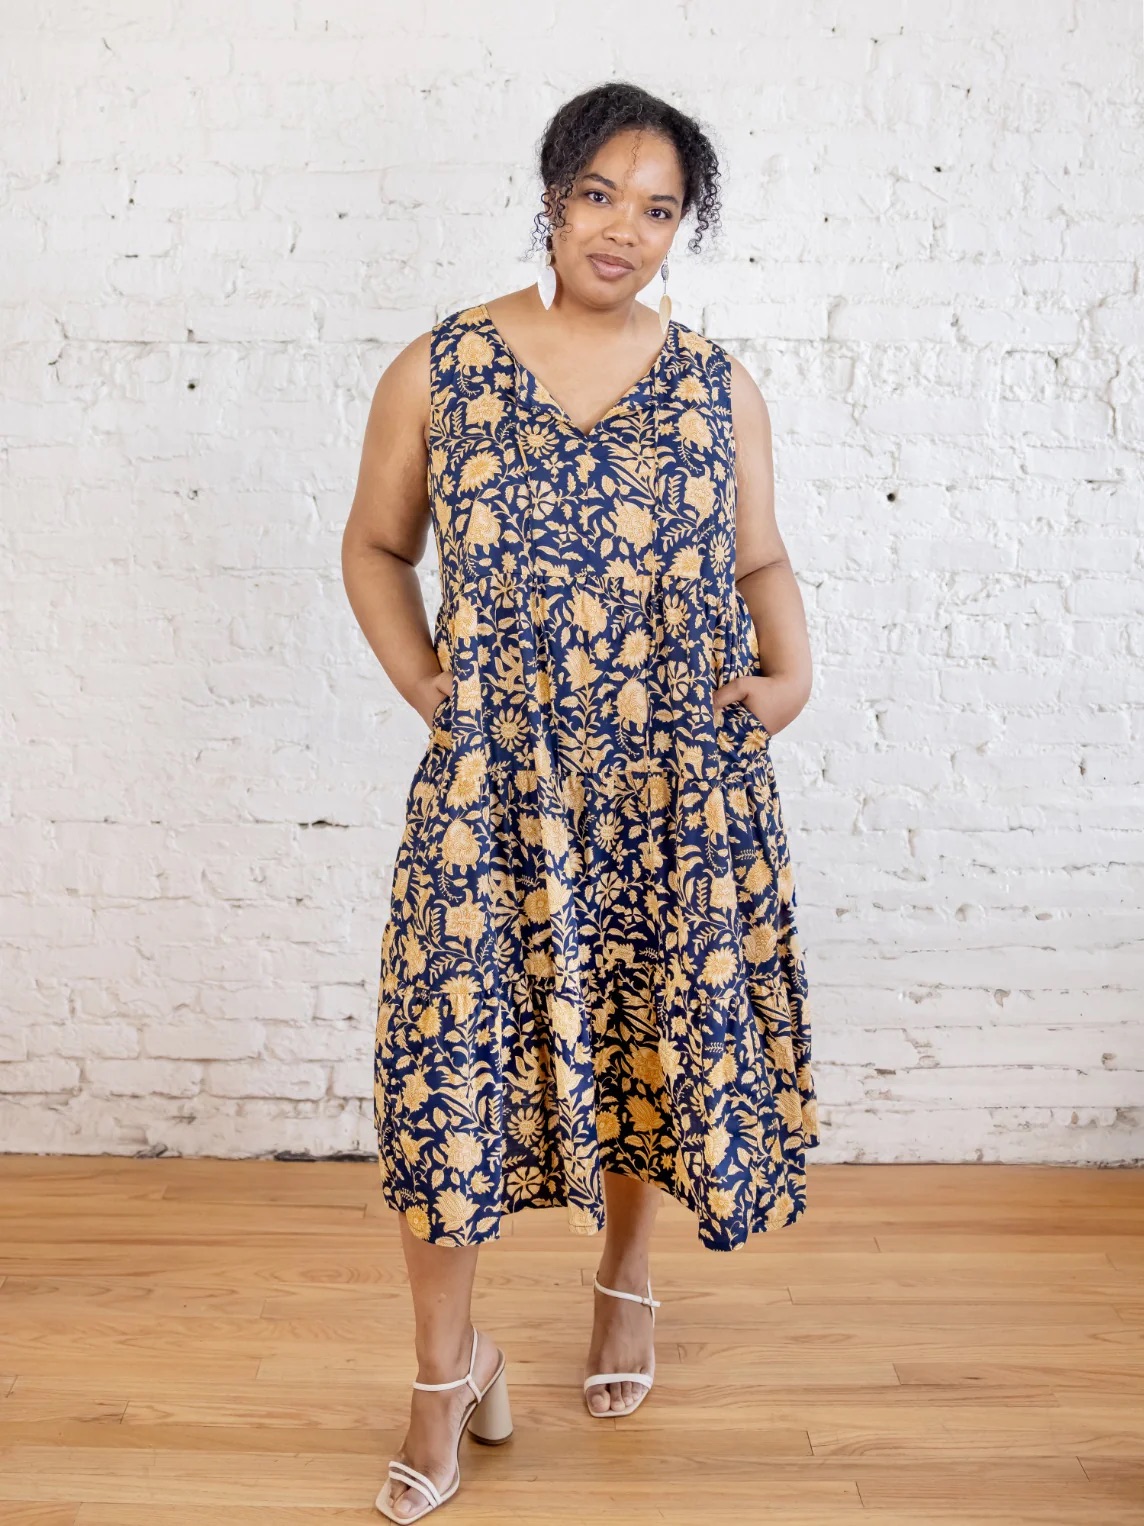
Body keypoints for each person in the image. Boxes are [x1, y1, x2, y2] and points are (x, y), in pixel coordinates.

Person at [342, 80, 820, 1523]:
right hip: (496, 789)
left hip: (671, 779)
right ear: (552, 196)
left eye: (659, 208)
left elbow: (760, 560)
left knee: (641, 1043)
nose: (625, 228)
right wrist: (430, 687)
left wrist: (789, 676)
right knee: (450, 1073)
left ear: (684, 231)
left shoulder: (717, 384)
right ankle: (447, 1375)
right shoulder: (444, 368)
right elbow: (375, 546)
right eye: (601, 193)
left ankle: (625, 1274)